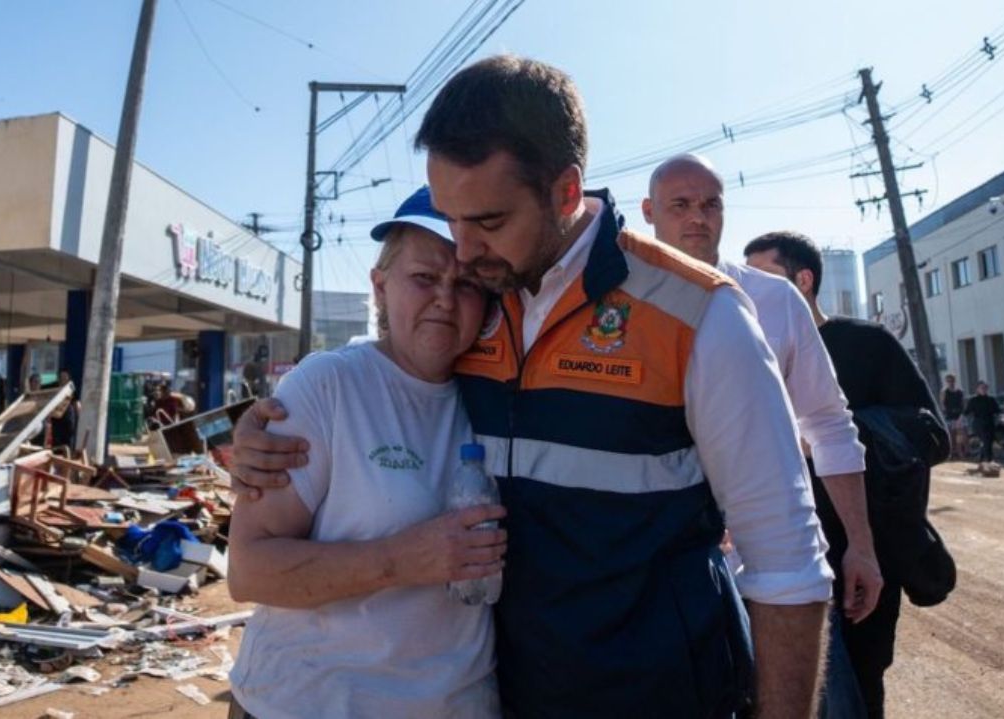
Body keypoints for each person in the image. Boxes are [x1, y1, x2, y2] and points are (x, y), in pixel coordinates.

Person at [235, 55, 832, 717]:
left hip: (659, 697)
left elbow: (787, 562)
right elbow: (384, 385)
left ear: (565, 193)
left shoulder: (698, 316)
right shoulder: (483, 306)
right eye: (448, 218)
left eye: (486, 222)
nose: (460, 253)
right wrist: (264, 425)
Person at [227, 186, 504, 718]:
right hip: (307, 704)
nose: (445, 297)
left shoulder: (497, 400)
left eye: (467, 283)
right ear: (380, 287)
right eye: (424, 278)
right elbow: (249, 570)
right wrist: (399, 560)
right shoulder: (329, 387)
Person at [642, 154, 882, 631]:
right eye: (681, 204)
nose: (698, 217)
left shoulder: (774, 299)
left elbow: (829, 423)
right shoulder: (620, 306)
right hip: (656, 563)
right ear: (649, 211)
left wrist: (861, 542)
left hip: (772, 561)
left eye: (711, 204)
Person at [745, 231, 939, 719]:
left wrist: (835, 436)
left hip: (860, 551)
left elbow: (930, 437)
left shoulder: (868, 344)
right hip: (782, 559)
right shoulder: (747, 349)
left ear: (803, 280)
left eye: (763, 276)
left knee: (862, 690)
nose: (752, 292)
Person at [964, 381, 1000, 464]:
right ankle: (989, 460)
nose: (983, 389)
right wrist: (960, 420)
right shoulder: (973, 400)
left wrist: (1001, 417)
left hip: (990, 423)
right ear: (977, 389)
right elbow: (966, 412)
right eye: (982, 388)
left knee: (989, 442)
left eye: (985, 388)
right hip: (979, 424)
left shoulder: (991, 399)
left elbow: (997, 411)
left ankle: (982, 459)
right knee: (986, 440)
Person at [940, 374, 968, 459]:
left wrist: (961, 414)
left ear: (954, 381)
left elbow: (963, 404)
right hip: (949, 415)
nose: (950, 382)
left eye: (951, 380)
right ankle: (952, 452)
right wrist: (945, 413)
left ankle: (961, 452)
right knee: (951, 435)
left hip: (959, 415)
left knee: (960, 434)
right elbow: (942, 404)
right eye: (948, 381)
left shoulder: (959, 391)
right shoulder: (944, 392)